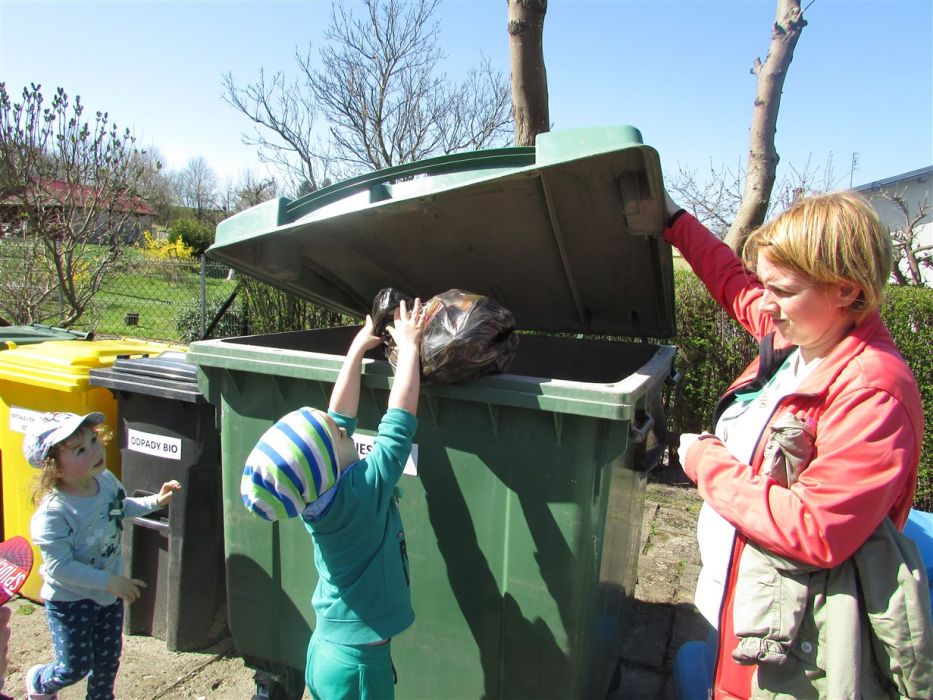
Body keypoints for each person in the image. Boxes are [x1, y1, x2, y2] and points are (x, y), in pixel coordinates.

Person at [664, 190, 931, 698]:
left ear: (846, 290)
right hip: (740, 595)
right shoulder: (802, 337)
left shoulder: (873, 393)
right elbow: (731, 282)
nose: (765, 303)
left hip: (792, 637)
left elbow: (814, 529)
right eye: (765, 284)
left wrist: (705, 461)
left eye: (782, 290)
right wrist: (673, 220)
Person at [241, 299, 426, 700]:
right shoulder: (362, 493)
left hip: (326, 650)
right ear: (331, 463)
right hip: (360, 667)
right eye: (342, 436)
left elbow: (336, 420)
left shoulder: (316, 499)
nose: (345, 431)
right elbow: (397, 427)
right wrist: (410, 348)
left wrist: (357, 348)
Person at [23, 411, 181, 700]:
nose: (95, 451)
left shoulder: (105, 480)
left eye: (94, 440)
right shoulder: (54, 512)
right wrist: (109, 581)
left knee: (108, 661)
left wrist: (155, 501)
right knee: (73, 668)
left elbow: (121, 507)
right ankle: (39, 681)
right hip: (70, 601)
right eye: (80, 450)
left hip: (107, 595)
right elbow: (59, 567)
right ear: (54, 469)